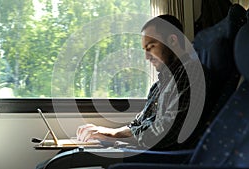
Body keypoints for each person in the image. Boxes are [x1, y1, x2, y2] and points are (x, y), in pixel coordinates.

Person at [77, 14, 199, 151]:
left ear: (172, 40)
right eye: (144, 50)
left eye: (151, 47)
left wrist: (115, 141)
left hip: (163, 157)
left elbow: (167, 132)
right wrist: (110, 132)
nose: (147, 57)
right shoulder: (159, 85)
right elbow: (138, 124)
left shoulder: (190, 73)